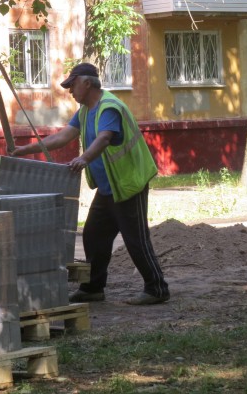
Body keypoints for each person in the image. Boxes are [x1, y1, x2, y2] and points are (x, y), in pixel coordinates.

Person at [10, 62, 170, 305]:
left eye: (72, 85)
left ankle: (157, 288)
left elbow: (105, 139)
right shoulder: (85, 111)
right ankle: (93, 287)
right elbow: (63, 137)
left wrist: (83, 158)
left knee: (135, 238)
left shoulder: (108, 108)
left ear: (86, 83)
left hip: (128, 185)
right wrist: (25, 149)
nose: (70, 91)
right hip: (109, 188)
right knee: (94, 235)